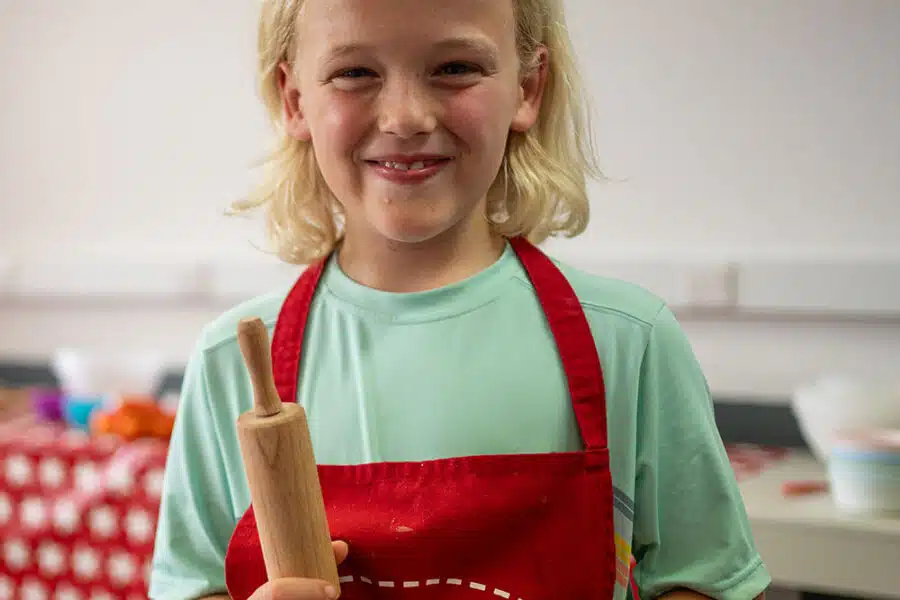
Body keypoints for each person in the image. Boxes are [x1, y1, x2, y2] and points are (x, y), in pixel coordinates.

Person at [148, 0, 771, 598]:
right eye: (355, 72)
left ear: (528, 88)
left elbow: (711, 581)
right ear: (294, 100)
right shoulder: (233, 363)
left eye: (455, 68)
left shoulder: (630, 340)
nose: (405, 117)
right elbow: (193, 585)